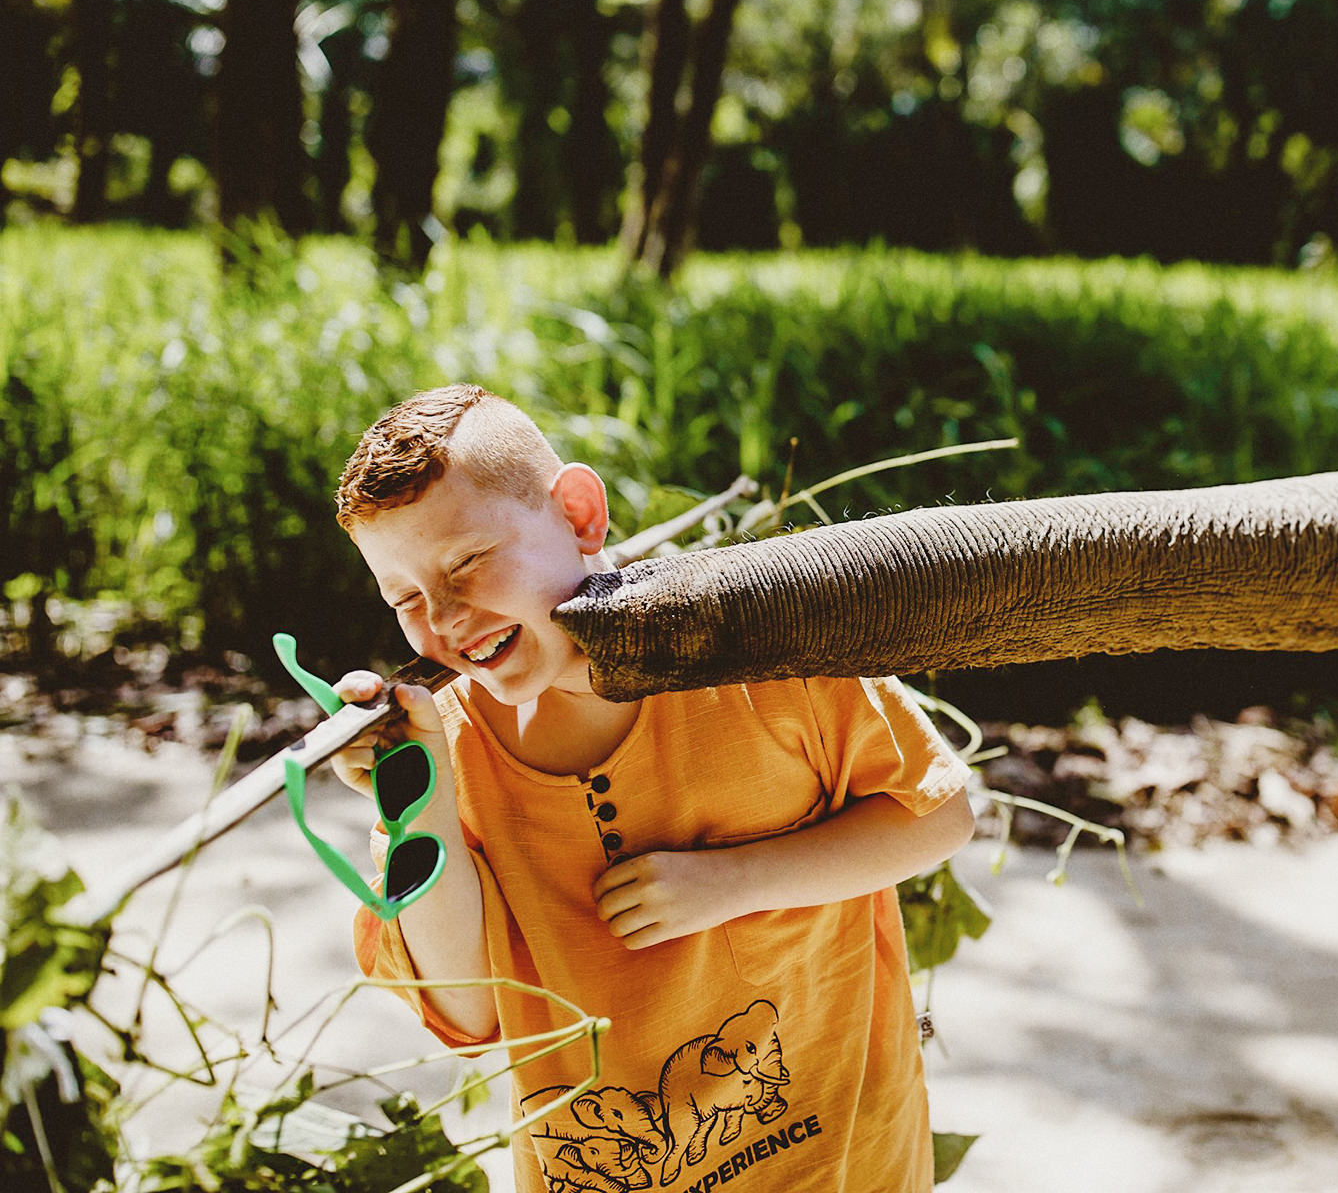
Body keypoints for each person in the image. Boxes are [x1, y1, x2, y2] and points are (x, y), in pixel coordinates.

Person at [326, 383, 976, 1193]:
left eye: (467, 561)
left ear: (579, 514)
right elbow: (466, 1012)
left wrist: (734, 882)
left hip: (840, 1163)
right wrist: (416, 799)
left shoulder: (761, 648)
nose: (447, 618)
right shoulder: (446, 746)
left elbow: (939, 814)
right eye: (406, 599)